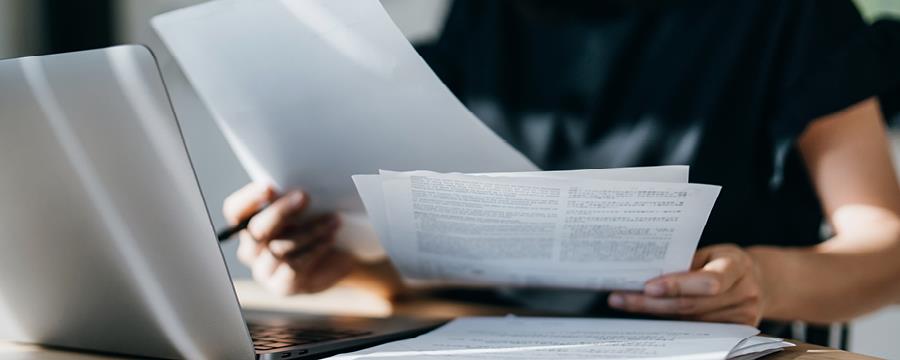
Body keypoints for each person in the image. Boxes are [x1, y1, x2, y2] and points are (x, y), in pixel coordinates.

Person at [222, 0, 900, 338]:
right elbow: (469, 257)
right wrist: (339, 261)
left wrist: (764, 281)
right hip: (487, 343)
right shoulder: (484, 14)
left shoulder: (792, 15)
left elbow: (887, 253)